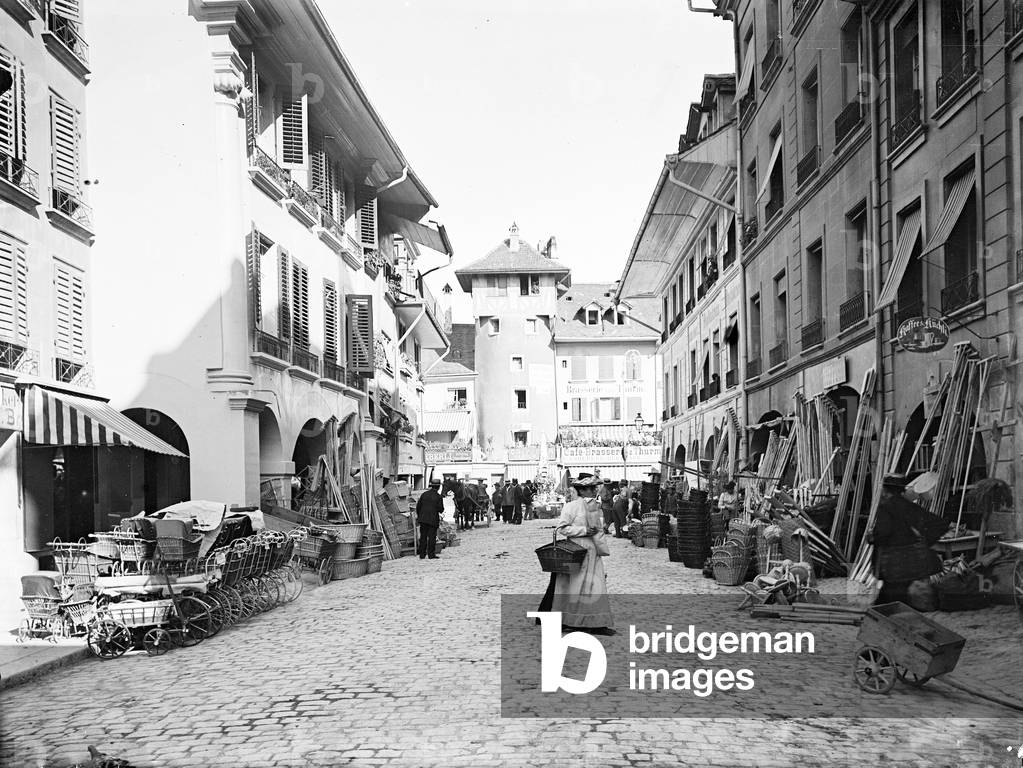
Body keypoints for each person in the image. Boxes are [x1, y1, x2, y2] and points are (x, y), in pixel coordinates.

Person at [536, 473, 615, 635]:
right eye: (591, 488)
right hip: (575, 551)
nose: (594, 491)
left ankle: (595, 622)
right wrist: (584, 530)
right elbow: (562, 528)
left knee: (594, 587)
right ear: (583, 490)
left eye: (594, 488)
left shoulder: (594, 506)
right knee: (573, 587)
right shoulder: (571, 507)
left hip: (593, 552)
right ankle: (571, 620)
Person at [868, 474, 948, 603]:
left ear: (886, 490)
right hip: (913, 562)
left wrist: (872, 538)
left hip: (892, 561)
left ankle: (883, 612)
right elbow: (939, 524)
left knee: (891, 593)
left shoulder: (885, 507)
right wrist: (926, 540)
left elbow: (883, 532)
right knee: (897, 592)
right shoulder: (910, 506)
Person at [416, 479, 444, 559]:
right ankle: (431, 554)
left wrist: (420, 516)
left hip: (423, 519)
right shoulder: (438, 497)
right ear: (438, 487)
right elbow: (441, 509)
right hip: (433, 520)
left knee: (423, 537)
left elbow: (418, 507)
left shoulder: (424, 494)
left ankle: (422, 554)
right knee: (432, 537)